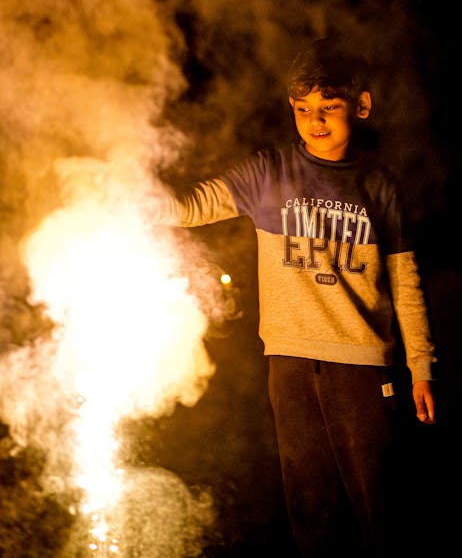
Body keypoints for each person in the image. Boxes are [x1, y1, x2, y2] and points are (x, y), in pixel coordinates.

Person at [156, 37, 437, 556]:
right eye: (303, 109)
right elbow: (195, 205)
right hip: (288, 365)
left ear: (362, 106)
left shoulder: (378, 186)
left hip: (361, 366)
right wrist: (131, 195)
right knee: (310, 508)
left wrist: (421, 366)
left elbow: (405, 282)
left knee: (381, 505)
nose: (316, 120)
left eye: (329, 107)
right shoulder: (269, 172)